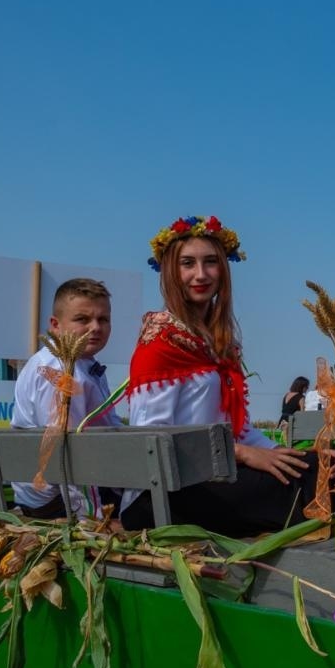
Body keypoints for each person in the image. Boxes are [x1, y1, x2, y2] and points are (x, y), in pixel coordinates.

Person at [128, 215, 317, 535]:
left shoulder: (217, 343)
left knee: (321, 466)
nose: (200, 274)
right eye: (187, 263)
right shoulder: (160, 343)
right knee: (311, 483)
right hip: (166, 495)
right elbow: (152, 444)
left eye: (211, 262)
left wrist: (282, 454)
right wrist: (242, 454)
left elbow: (240, 431)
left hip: (214, 477)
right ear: (171, 272)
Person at [9, 278, 120, 521]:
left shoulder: (80, 363)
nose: (95, 327)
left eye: (103, 319)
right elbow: (70, 455)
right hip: (57, 499)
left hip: (59, 488)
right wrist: (92, 521)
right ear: (55, 325)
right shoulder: (61, 373)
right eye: (82, 319)